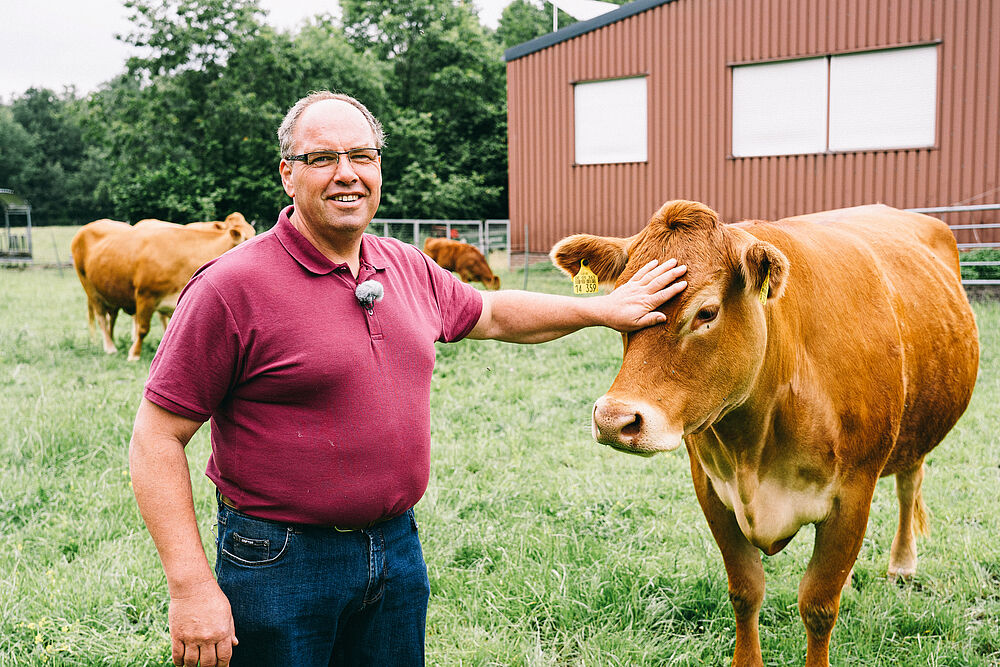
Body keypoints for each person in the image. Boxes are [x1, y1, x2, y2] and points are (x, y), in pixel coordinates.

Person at [128, 91, 687, 667]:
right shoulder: (230, 287)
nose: (347, 175)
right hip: (278, 562)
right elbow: (156, 438)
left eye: (362, 157)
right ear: (287, 175)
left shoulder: (403, 264)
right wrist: (191, 586)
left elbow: (491, 313)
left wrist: (604, 309)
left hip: (394, 550)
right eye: (322, 159)